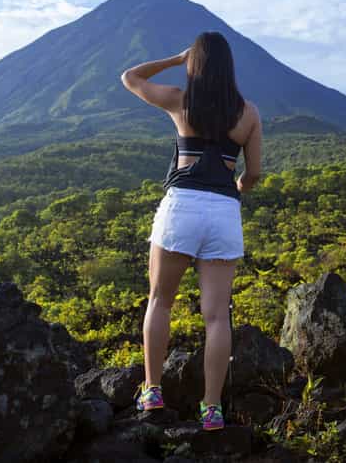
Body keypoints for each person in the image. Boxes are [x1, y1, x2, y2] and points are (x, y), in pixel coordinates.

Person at [120, 31, 263, 430]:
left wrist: (175, 58)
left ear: (194, 64)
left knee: (160, 301)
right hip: (223, 212)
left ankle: (152, 391)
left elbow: (130, 77)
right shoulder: (249, 113)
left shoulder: (180, 100)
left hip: (182, 207)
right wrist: (238, 187)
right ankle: (212, 408)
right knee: (217, 318)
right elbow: (254, 173)